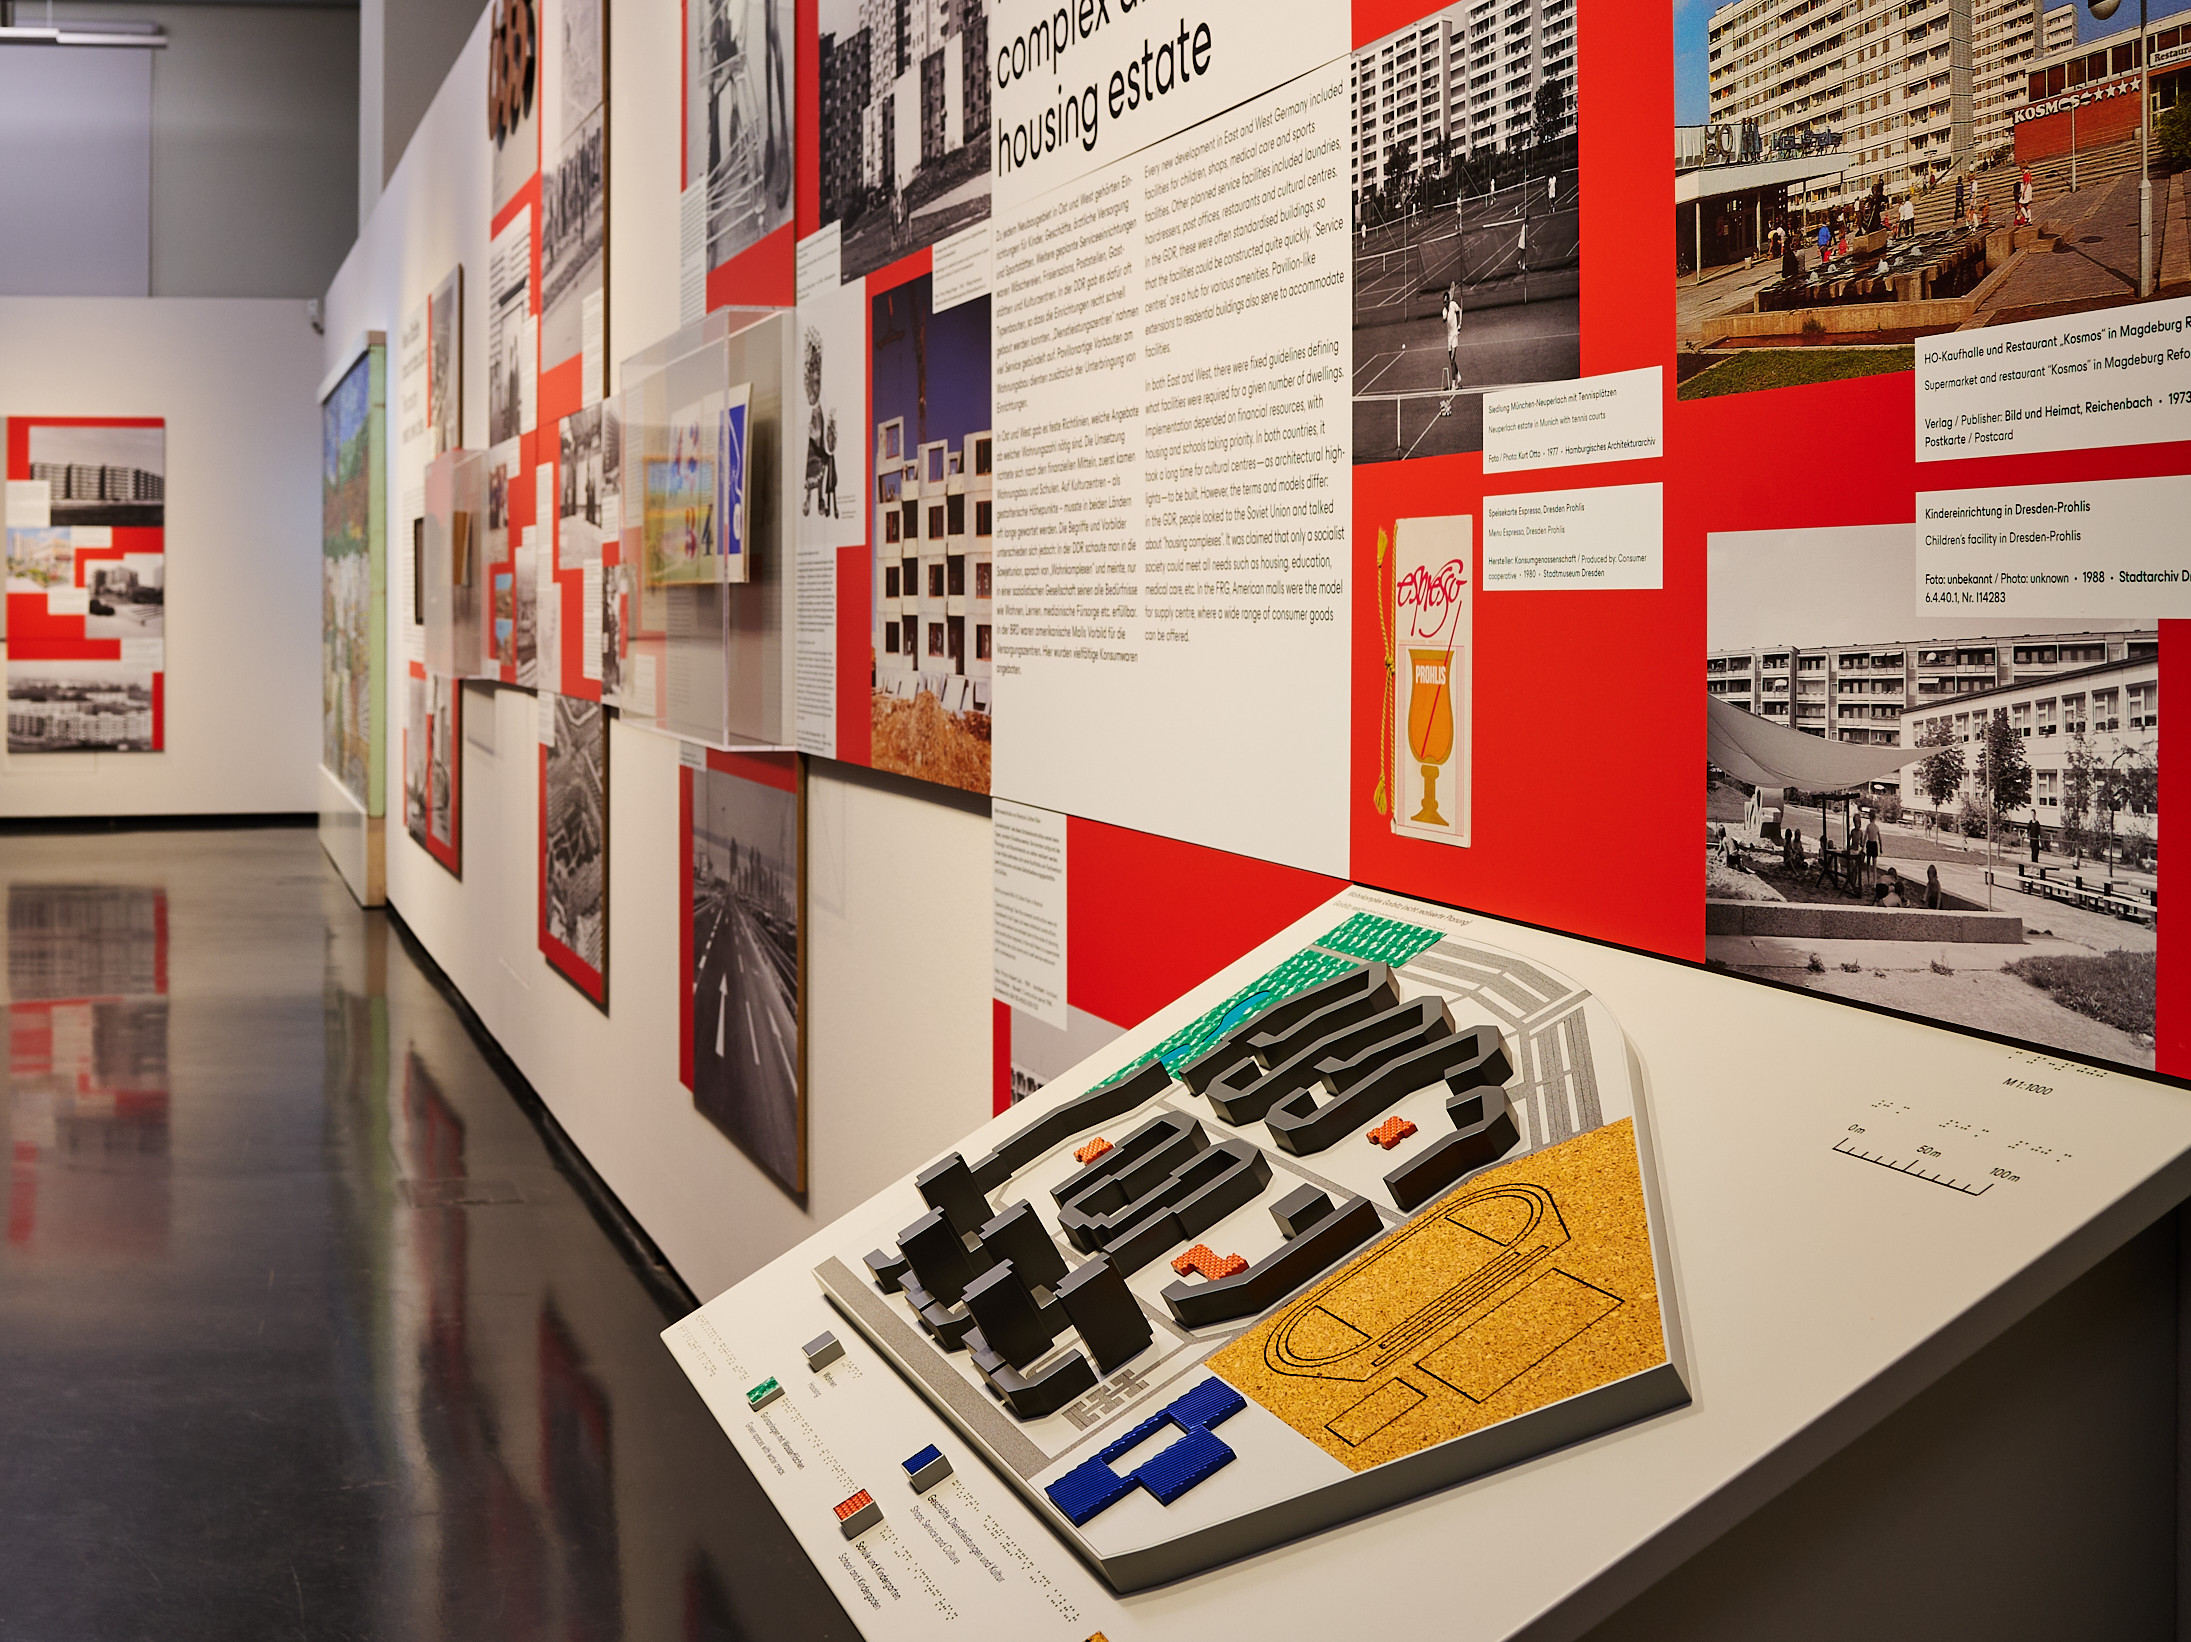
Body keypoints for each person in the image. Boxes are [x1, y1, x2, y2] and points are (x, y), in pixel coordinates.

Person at [1442, 281, 1462, 394]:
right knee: (1451, 361)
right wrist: (1446, 315)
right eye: (1443, 301)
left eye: (1446, 300)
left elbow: (1460, 311)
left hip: (1454, 335)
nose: (1445, 302)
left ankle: (1454, 383)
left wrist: (1460, 325)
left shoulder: (1454, 304)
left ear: (1448, 300)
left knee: (1453, 358)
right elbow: (1444, 320)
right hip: (1449, 337)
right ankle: (1458, 375)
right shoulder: (1444, 311)